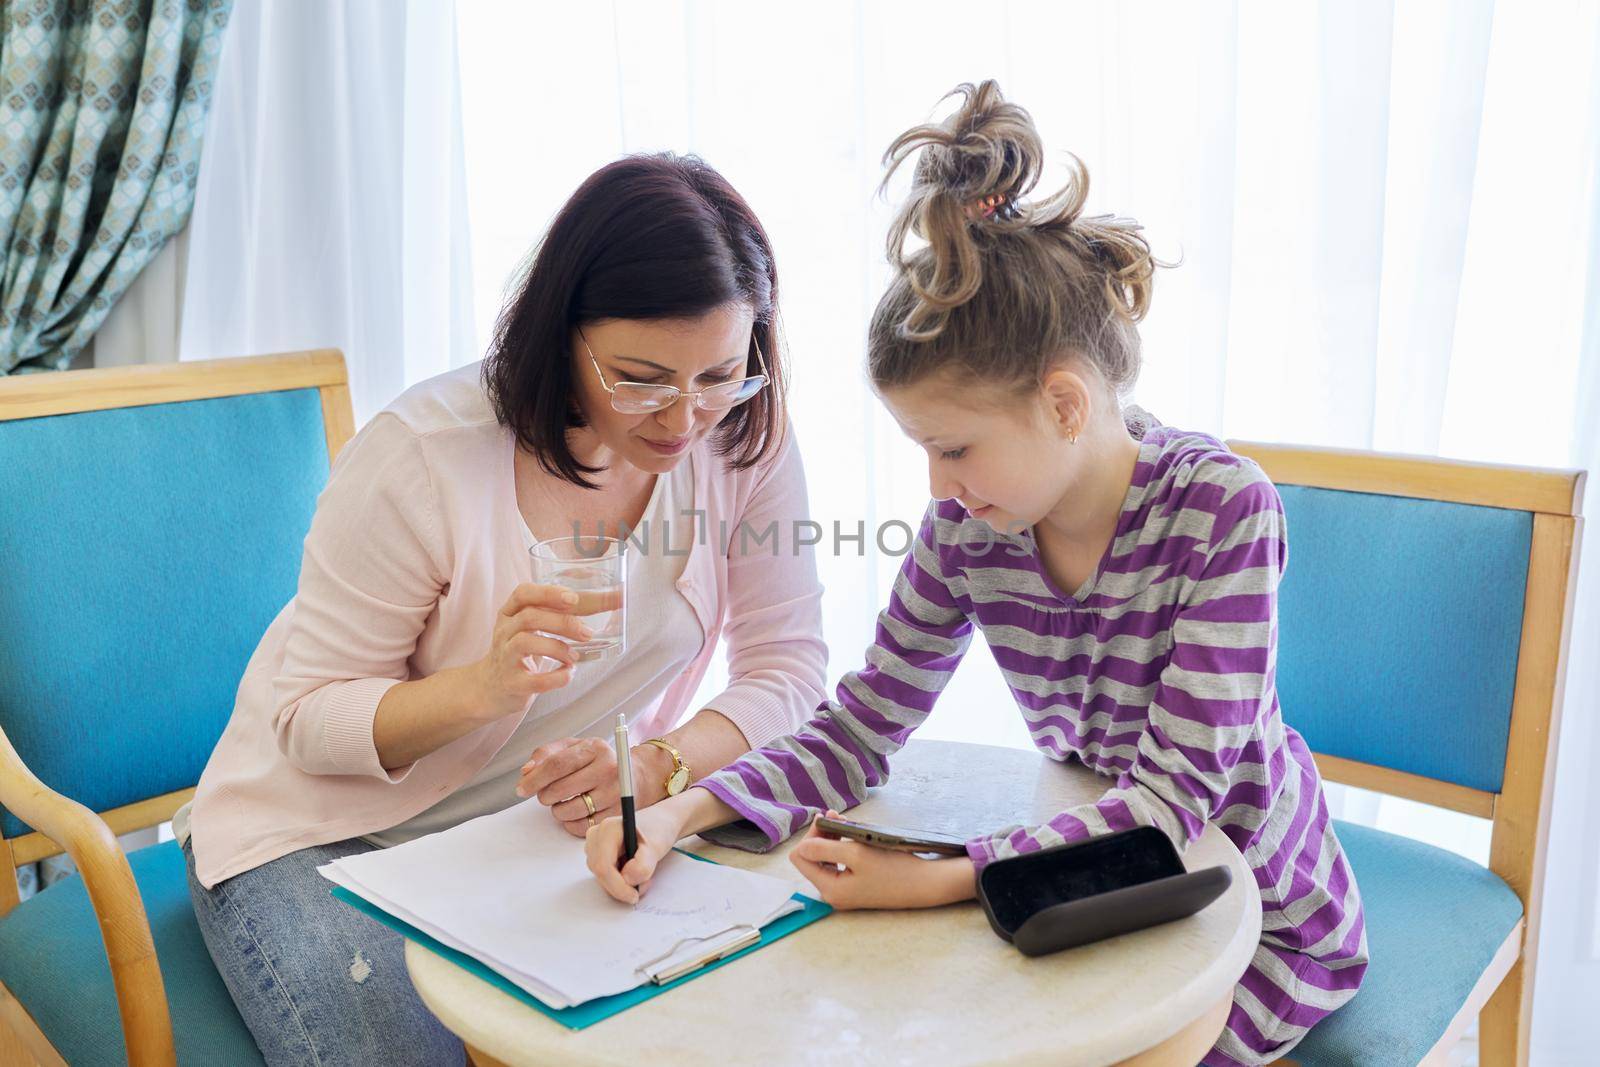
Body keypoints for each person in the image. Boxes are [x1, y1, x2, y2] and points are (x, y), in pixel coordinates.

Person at [585, 83, 1368, 1066]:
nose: (936, 486)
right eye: (921, 448)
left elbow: (1176, 803)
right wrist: (682, 807)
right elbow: (866, 715)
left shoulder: (1223, 513)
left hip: (1239, 912)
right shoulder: (970, 527)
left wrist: (951, 876)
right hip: (1071, 890)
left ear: (1065, 404)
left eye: (952, 446)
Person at [180, 153, 828, 1066]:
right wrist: (481, 687)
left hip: (529, 837)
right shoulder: (425, 456)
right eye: (641, 378)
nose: (684, 420)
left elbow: (790, 669)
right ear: (563, 335)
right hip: (321, 836)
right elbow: (303, 721)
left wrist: (656, 762)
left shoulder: (739, 438)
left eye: (722, 373)